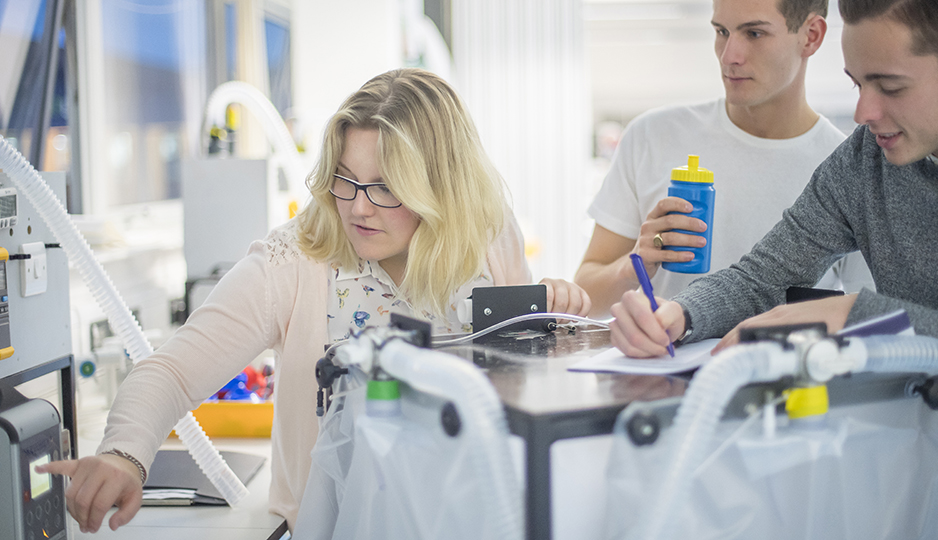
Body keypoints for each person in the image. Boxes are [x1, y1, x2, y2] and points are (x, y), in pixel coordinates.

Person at [40, 68, 591, 533]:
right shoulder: (295, 260)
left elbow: (516, 381)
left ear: (440, 188)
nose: (357, 208)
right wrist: (123, 454)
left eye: (386, 186)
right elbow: (172, 372)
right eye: (344, 179)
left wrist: (552, 322)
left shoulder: (487, 235)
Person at [607, 0, 938, 359]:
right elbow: (764, 277)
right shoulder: (864, 159)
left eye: (891, 87)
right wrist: (682, 314)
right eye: (857, 84)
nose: (862, 114)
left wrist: (855, 314)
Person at [575, 0, 873, 315]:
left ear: (811, 35)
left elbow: (871, 318)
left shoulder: (848, 172)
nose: (729, 57)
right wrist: (633, 265)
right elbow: (586, 300)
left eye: (754, 33)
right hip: (664, 348)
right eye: (722, 31)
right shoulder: (652, 135)